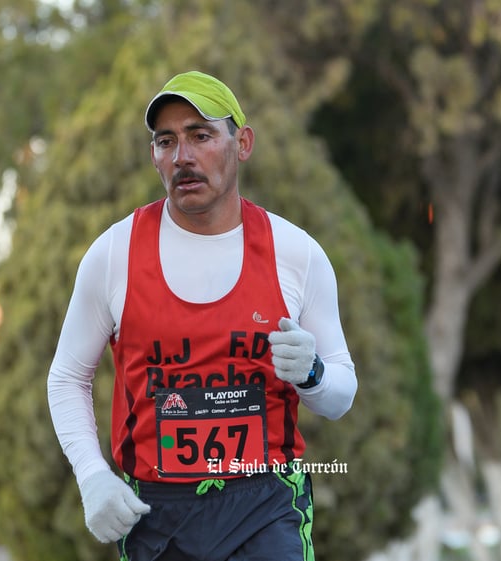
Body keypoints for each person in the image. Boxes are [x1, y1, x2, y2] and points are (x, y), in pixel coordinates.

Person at [47, 70, 357, 561]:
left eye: (201, 135)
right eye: (165, 141)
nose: (182, 157)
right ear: (154, 156)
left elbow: (340, 397)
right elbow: (67, 376)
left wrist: (313, 374)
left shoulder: (295, 253)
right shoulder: (114, 254)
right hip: (155, 513)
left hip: (266, 504)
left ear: (243, 143)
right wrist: (92, 476)